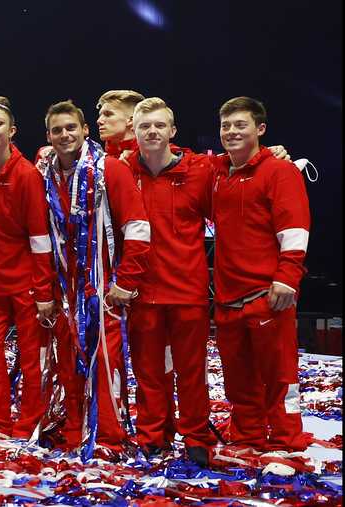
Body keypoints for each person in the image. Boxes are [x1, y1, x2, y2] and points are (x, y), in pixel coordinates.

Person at [35, 100, 150, 458]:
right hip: (64, 287)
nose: (64, 135)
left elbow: (138, 228)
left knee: (104, 360)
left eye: (71, 127)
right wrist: (47, 289)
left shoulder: (109, 170)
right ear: (48, 136)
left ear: (85, 130)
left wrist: (125, 281)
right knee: (67, 360)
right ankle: (74, 430)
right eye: (57, 130)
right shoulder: (45, 175)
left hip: (102, 288)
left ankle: (107, 438)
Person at [212, 96, 312, 453]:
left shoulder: (280, 171)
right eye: (226, 125)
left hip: (267, 294)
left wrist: (287, 277)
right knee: (238, 380)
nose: (232, 132)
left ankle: (287, 441)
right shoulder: (218, 174)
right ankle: (248, 437)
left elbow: (296, 228)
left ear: (260, 129)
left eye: (241, 124)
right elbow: (178, 160)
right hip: (227, 299)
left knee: (279, 376)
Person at [124, 98, 216, 464]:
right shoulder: (120, 172)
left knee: (191, 373)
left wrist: (273, 154)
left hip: (187, 293)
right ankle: (153, 436)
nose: (152, 131)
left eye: (159, 125)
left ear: (172, 131)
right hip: (142, 293)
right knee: (148, 374)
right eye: (145, 126)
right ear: (134, 131)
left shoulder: (199, 171)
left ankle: (196, 437)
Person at [0, 97, 56, 440]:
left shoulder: (26, 176)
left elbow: (40, 238)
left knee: (32, 361)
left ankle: (28, 424)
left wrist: (43, 291)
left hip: (25, 286)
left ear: (12, 131)